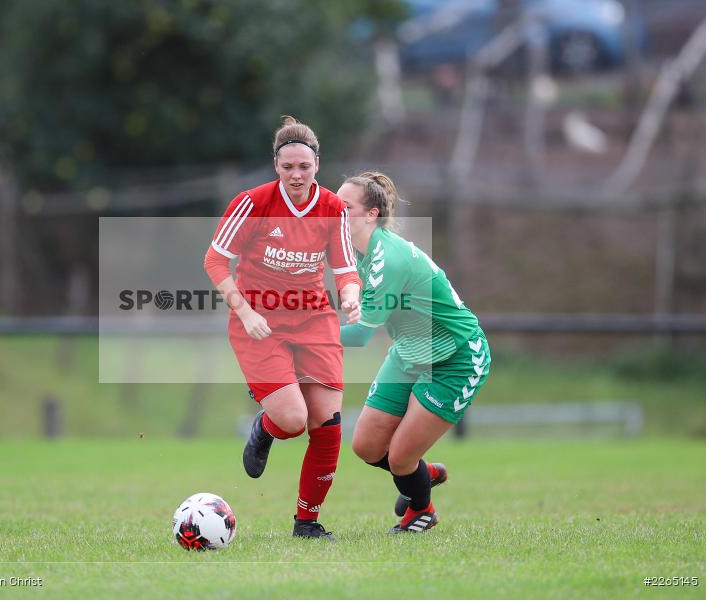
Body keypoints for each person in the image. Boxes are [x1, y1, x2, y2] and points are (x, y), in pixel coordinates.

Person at [203, 116, 362, 540]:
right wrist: (245, 311)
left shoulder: (334, 208)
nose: (296, 175)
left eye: (304, 167)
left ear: (317, 166)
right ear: (276, 165)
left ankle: (306, 522)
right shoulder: (252, 203)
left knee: (327, 426)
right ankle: (266, 426)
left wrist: (350, 295)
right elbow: (215, 261)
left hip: (314, 320)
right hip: (258, 322)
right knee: (292, 420)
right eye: (288, 166)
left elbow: (346, 269)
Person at [336, 171, 491, 533]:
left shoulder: (387, 258)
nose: (334, 213)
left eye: (344, 207)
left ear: (371, 214)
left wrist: (299, 337)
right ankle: (422, 475)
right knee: (367, 446)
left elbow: (359, 335)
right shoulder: (357, 251)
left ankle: (421, 511)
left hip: (456, 358)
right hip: (409, 352)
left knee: (400, 457)